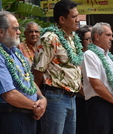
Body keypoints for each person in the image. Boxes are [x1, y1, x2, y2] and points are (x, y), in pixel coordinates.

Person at [0, 11, 47, 134]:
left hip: (29, 115)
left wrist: (42, 98)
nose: (19, 32)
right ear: (0, 31)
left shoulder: (16, 52)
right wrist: (35, 106)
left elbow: (29, 79)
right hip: (12, 117)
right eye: (15, 28)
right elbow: (9, 94)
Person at [32, 0, 83, 134]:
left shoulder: (71, 38)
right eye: (74, 17)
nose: (78, 20)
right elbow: (37, 71)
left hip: (72, 97)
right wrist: (39, 97)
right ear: (62, 19)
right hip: (55, 97)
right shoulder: (49, 38)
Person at [81, 22, 113, 134]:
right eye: (108, 35)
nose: (112, 38)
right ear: (97, 36)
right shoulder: (90, 54)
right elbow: (96, 84)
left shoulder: (110, 58)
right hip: (99, 105)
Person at [75, 26, 91, 134]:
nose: (91, 41)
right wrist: (85, 94)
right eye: (88, 39)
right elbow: (76, 79)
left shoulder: (94, 55)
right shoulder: (77, 56)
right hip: (82, 97)